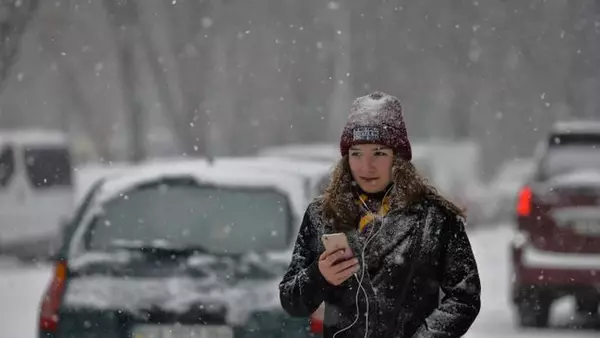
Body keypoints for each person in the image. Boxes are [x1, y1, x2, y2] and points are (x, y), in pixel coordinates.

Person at [278, 91, 481, 337]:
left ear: (398, 158)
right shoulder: (322, 215)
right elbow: (291, 300)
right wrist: (319, 276)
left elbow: (464, 297)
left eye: (379, 153)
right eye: (356, 154)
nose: (366, 166)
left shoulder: (436, 219)